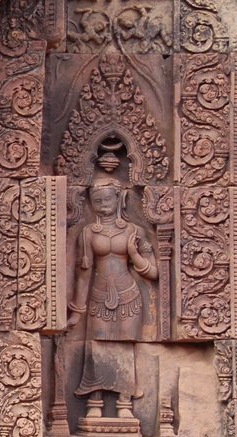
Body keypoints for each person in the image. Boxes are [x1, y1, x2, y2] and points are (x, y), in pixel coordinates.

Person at [66, 154, 158, 421]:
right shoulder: (89, 233)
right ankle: (94, 403)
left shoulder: (133, 231)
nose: (102, 206)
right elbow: (83, 275)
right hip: (98, 295)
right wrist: (77, 311)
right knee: (96, 347)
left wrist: (135, 254)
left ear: (119, 200)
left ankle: (124, 405)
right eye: (97, 202)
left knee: (123, 348)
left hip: (129, 296)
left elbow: (154, 272)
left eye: (107, 200)